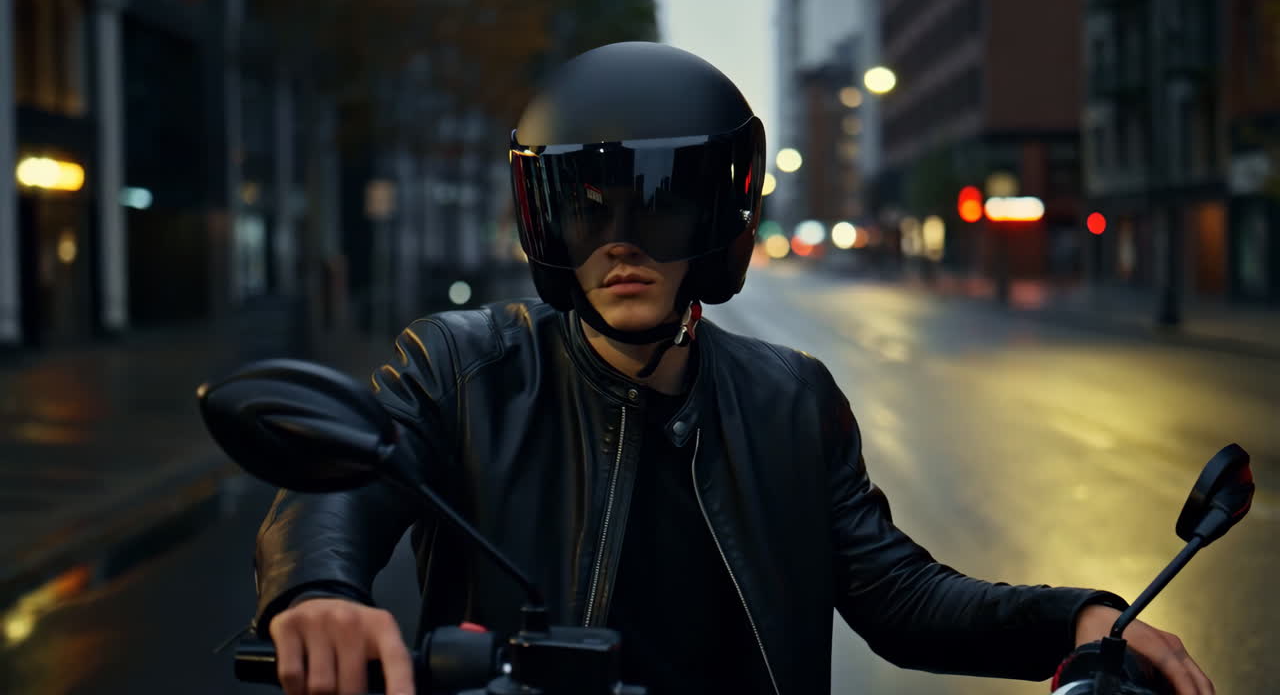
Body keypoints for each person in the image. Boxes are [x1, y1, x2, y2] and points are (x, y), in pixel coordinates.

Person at [251, 42, 1214, 695]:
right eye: (588, 209)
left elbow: (896, 594)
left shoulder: (791, 399)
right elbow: (342, 482)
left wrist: (1077, 617)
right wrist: (319, 590)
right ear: (548, 221)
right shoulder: (463, 369)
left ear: (716, 220)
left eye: (660, 207)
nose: (620, 245)